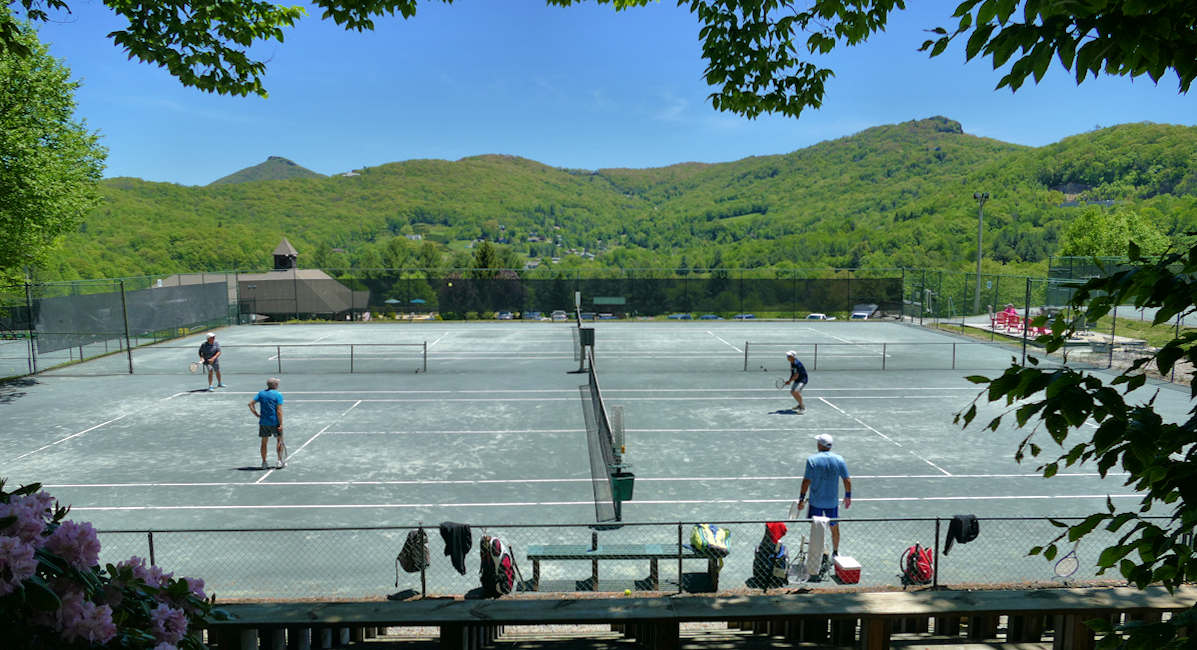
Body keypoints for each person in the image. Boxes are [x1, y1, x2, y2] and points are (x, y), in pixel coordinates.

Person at [797, 433, 851, 555]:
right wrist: (848, 496)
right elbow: (847, 480)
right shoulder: (839, 459)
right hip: (831, 502)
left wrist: (801, 499)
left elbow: (806, 481)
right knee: (834, 527)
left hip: (816, 502)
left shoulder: (812, 460)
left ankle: (816, 554)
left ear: (819, 445)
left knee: (816, 529)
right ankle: (835, 553)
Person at [249, 377, 285, 469]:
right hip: (274, 422)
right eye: (277, 384)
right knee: (279, 441)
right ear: (275, 385)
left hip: (263, 422)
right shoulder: (278, 395)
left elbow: (250, 404)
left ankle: (264, 463)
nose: (278, 385)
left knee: (264, 442)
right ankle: (279, 461)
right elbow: (279, 411)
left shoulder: (261, 394)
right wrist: (281, 424)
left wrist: (256, 414)